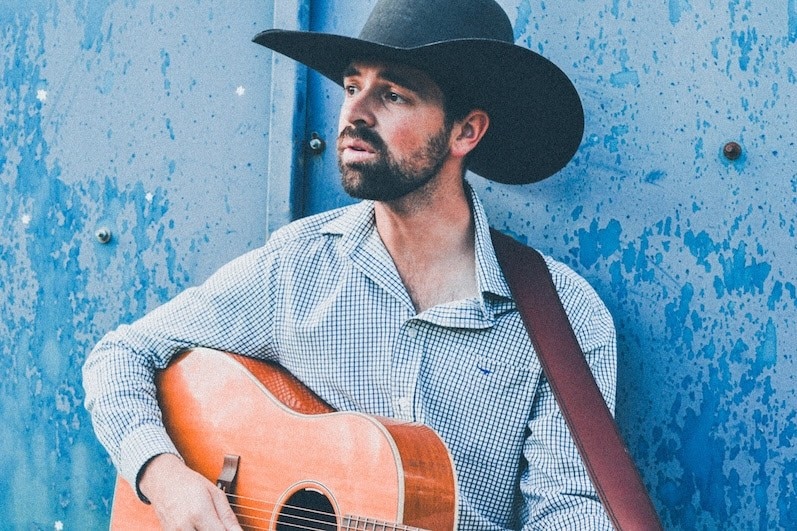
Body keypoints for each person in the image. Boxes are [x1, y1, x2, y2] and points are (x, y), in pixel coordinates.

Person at [83, 0, 618, 529]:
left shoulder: (562, 318)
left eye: (392, 94)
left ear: (465, 133)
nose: (355, 115)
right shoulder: (296, 266)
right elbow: (121, 354)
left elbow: (571, 515)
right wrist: (166, 477)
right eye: (352, 86)